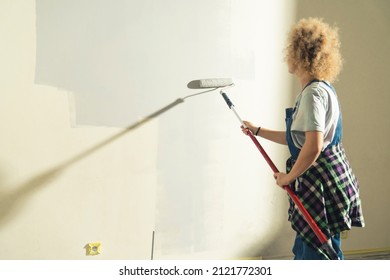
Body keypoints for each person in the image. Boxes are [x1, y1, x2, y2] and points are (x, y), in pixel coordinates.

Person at [242, 17, 364, 260]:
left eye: (290, 50)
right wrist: (257, 131)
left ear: (299, 55)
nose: (287, 56)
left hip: (320, 185)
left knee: (315, 253)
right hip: (330, 180)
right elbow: (298, 140)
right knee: (313, 246)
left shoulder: (312, 96)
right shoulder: (323, 89)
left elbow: (313, 146)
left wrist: (289, 176)